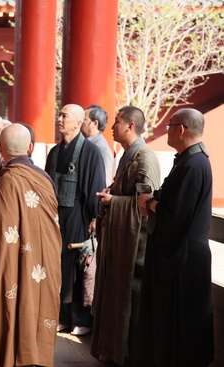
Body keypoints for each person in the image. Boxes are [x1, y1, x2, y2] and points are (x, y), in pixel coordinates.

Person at [0, 124, 62, 367]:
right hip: (44, 259)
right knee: (37, 307)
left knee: (9, 306)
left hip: (14, 263)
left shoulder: (7, 179)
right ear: (30, 148)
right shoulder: (44, 178)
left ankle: (7, 357)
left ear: (0, 148)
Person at [137, 108, 214, 367]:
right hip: (179, 255)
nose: (166, 129)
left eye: (169, 125)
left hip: (184, 259)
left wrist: (151, 204)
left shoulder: (194, 164)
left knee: (183, 329)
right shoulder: (186, 160)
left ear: (180, 129)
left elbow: (177, 216)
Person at [90, 106, 161, 366]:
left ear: (130, 126)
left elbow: (146, 205)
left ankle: (127, 354)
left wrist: (114, 201)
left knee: (128, 301)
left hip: (134, 247)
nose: (111, 126)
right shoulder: (127, 155)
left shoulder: (145, 157)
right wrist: (113, 192)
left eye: (117, 121)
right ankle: (112, 351)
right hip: (119, 240)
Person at [45, 104, 105, 336]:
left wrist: (94, 217)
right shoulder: (55, 152)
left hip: (79, 217)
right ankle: (62, 316)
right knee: (58, 267)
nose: (59, 118)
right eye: (59, 114)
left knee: (78, 267)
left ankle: (81, 319)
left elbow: (95, 187)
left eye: (64, 116)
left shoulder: (90, 152)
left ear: (78, 123)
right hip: (56, 218)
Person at [81, 105, 114, 187]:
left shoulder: (101, 148)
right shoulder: (87, 143)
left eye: (84, 119)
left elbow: (103, 180)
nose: (81, 122)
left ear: (94, 123)